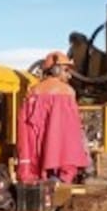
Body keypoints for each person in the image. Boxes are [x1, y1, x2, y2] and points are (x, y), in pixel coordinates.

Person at [16, 51, 91, 184]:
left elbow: (26, 129)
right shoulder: (67, 92)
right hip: (61, 169)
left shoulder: (33, 92)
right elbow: (71, 134)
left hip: (37, 165)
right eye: (66, 70)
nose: (68, 75)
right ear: (56, 70)